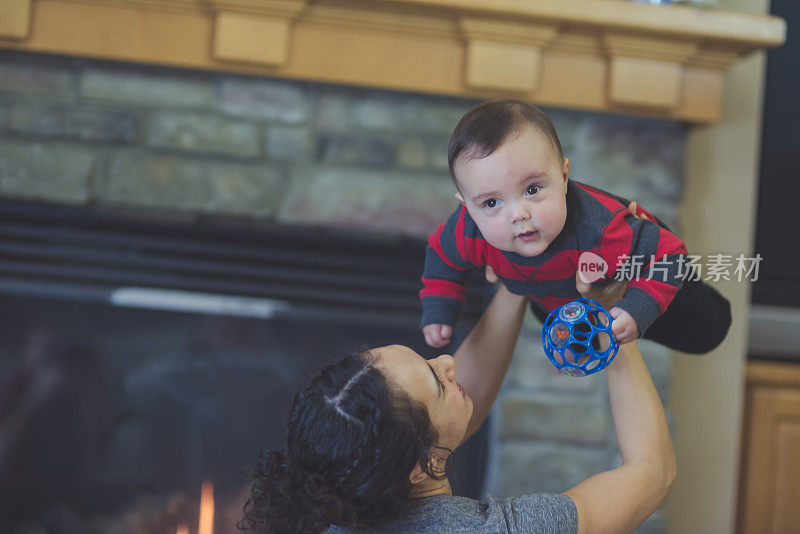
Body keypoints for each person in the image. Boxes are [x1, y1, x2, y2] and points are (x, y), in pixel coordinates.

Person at [240, 264, 676, 533]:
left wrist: (517, 277)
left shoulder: (340, 503)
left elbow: (458, 408)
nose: (448, 360)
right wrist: (609, 325)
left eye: (425, 358)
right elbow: (651, 472)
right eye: (437, 381)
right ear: (415, 467)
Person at [420, 99, 731, 354]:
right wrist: (439, 307)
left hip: (639, 274)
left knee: (707, 330)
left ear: (564, 176)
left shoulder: (601, 229)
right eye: (490, 203)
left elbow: (670, 254)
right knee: (568, 339)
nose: (518, 214)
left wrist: (638, 306)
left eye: (532, 190)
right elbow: (442, 257)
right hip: (558, 296)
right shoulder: (467, 230)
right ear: (467, 205)